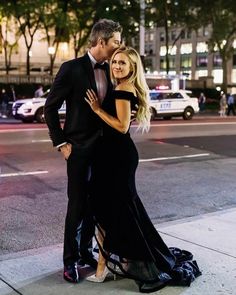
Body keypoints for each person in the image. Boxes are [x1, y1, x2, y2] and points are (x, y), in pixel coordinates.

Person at [85, 46, 201, 293]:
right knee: (109, 211)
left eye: (122, 63)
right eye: (115, 61)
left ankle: (134, 265)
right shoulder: (121, 86)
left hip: (117, 159)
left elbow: (122, 125)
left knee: (118, 212)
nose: (116, 66)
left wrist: (97, 110)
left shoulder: (124, 88)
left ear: (132, 68)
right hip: (111, 157)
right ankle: (102, 267)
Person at [44, 19, 122, 283]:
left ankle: (87, 252)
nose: (119, 47)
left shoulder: (114, 69)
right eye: (116, 42)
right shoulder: (71, 69)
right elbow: (50, 108)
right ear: (102, 42)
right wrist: (61, 143)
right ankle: (70, 261)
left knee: (96, 206)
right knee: (77, 206)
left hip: (105, 150)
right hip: (77, 149)